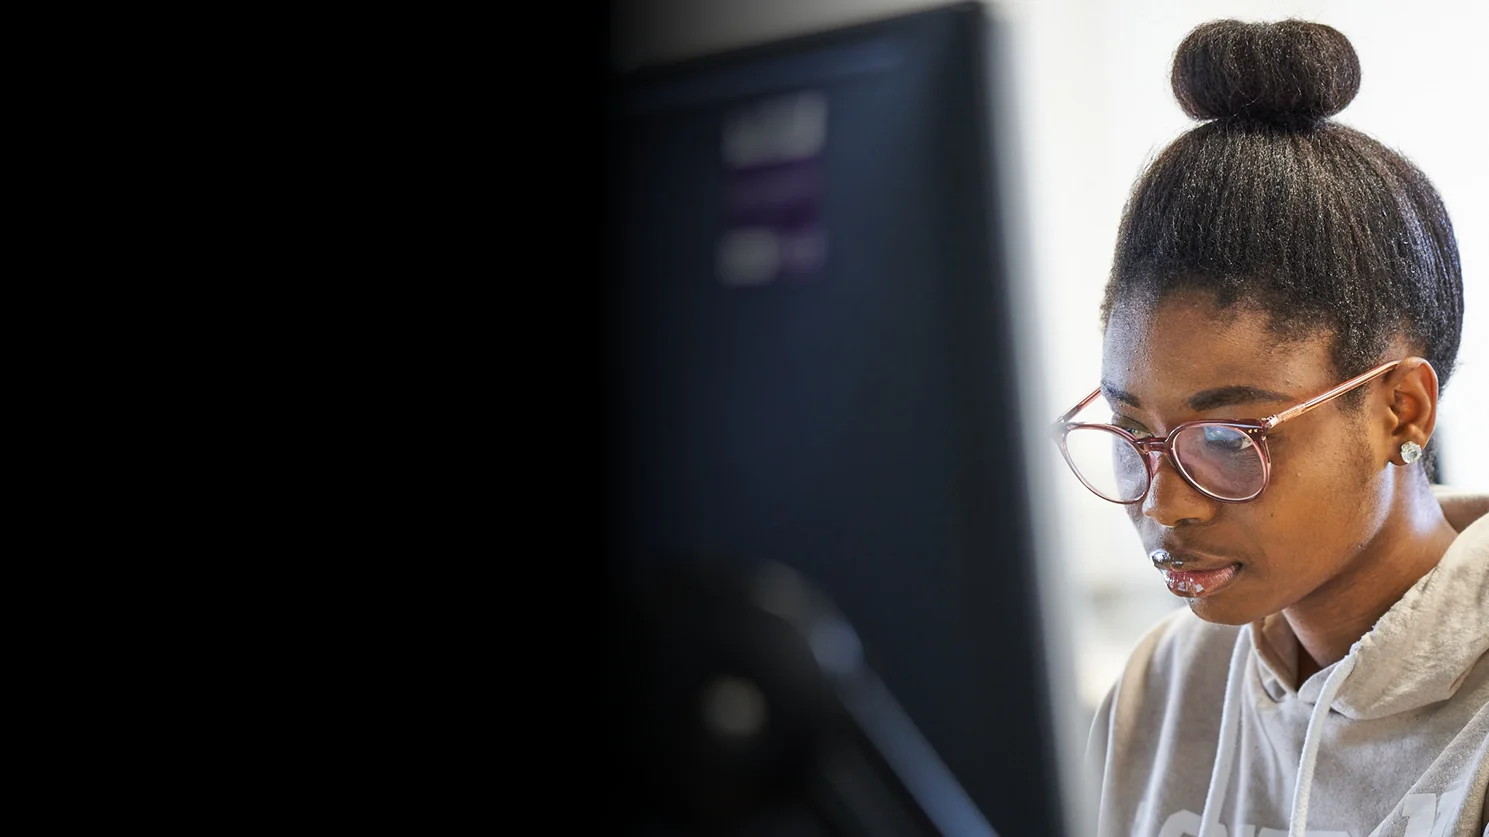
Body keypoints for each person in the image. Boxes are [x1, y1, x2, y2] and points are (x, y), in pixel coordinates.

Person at [1056, 19, 1489, 837]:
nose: (1163, 505)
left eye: (1227, 440)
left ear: (1401, 408)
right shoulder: (1166, 685)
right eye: (1130, 431)